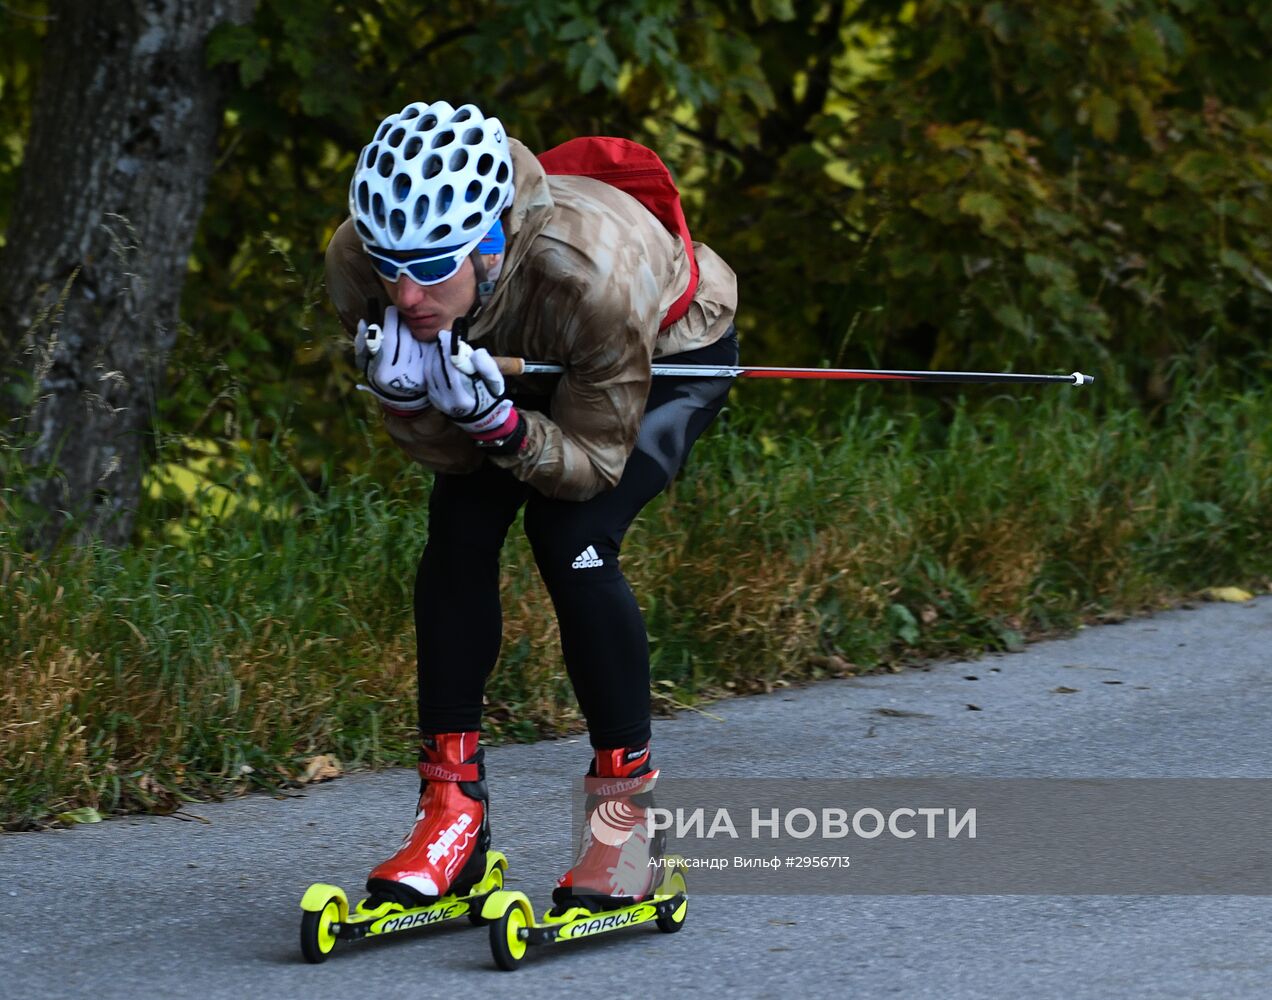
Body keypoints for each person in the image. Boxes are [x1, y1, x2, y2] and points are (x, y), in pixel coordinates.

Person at [324, 100, 737, 915]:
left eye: (431, 265)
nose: (404, 295)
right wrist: (414, 410)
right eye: (389, 264)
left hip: (662, 342)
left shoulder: (591, 276)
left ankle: (627, 828)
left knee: (571, 537)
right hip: (517, 343)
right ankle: (451, 817)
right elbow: (453, 462)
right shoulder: (358, 265)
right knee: (457, 534)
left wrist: (500, 423)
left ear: (486, 242)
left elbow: (590, 465)